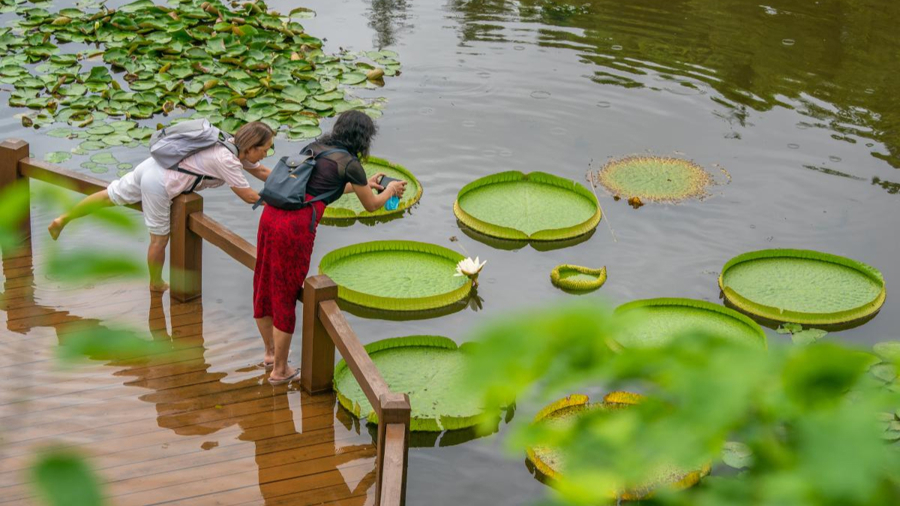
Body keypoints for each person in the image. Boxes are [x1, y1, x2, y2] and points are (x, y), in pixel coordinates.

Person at [253, 110, 406, 385]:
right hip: (295, 227)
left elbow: (319, 186)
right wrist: (390, 190)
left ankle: (269, 354)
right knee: (286, 292)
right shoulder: (350, 163)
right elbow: (371, 205)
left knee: (265, 282)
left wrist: (366, 185)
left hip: (270, 215)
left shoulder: (314, 147)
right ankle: (279, 370)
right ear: (363, 137)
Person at [48, 122, 275, 292]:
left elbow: (261, 171)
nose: (265, 153)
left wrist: (290, 182)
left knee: (109, 195)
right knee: (159, 240)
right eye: (265, 149)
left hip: (152, 166)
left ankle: (62, 220)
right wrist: (278, 200)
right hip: (159, 183)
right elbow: (247, 195)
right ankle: (155, 283)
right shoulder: (227, 160)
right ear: (252, 146)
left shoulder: (227, 141)